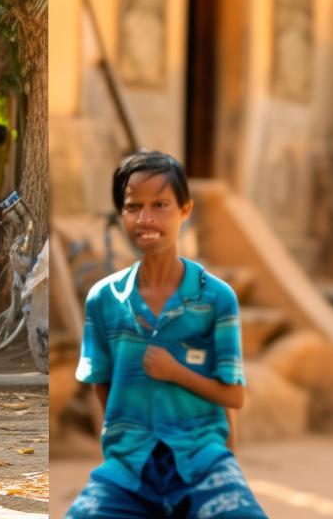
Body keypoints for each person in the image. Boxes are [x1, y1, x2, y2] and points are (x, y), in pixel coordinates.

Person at [68, 151, 266, 519]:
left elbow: (233, 396)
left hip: (203, 461)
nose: (146, 218)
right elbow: (102, 384)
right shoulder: (104, 299)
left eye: (160, 204)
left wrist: (176, 373)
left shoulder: (216, 297)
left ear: (184, 210)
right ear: (121, 214)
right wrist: (120, 447)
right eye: (133, 206)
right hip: (127, 470)